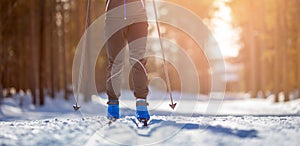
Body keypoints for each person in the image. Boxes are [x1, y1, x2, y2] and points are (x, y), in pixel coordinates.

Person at [104, 0, 150, 122]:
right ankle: (113, 105)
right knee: (115, 62)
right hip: (114, 17)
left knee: (138, 61)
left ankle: (142, 106)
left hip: (138, 17)